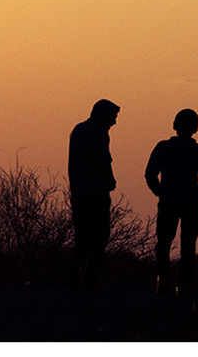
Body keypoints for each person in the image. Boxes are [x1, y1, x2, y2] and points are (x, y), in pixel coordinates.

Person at [144, 107, 198, 294]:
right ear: (196, 128)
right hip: (188, 202)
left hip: (171, 201)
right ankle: (182, 286)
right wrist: (196, 194)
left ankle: (164, 282)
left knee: (165, 243)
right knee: (187, 245)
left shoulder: (164, 147)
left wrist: (161, 192)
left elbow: (150, 174)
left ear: (175, 125)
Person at [66, 98, 121, 290]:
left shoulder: (78, 130)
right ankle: (88, 282)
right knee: (99, 238)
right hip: (96, 192)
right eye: (113, 117)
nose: (114, 122)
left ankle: (73, 277)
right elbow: (103, 160)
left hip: (79, 191)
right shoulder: (99, 133)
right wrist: (110, 180)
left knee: (82, 237)